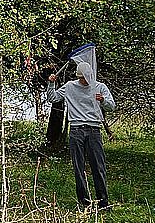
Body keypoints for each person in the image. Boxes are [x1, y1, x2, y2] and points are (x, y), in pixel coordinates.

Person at [47, 62, 116, 210]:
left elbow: (112, 106)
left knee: (98, 166)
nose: (85, 80)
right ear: (78, 77)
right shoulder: (70, 86)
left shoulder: (100, 87)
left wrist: (103, 100)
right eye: (82, 78)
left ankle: (103, 202)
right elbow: (53, 98)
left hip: (94, 130)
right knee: (78, 167)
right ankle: (84, 202)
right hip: (76, 130)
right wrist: (51, 84)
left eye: (87, 77)